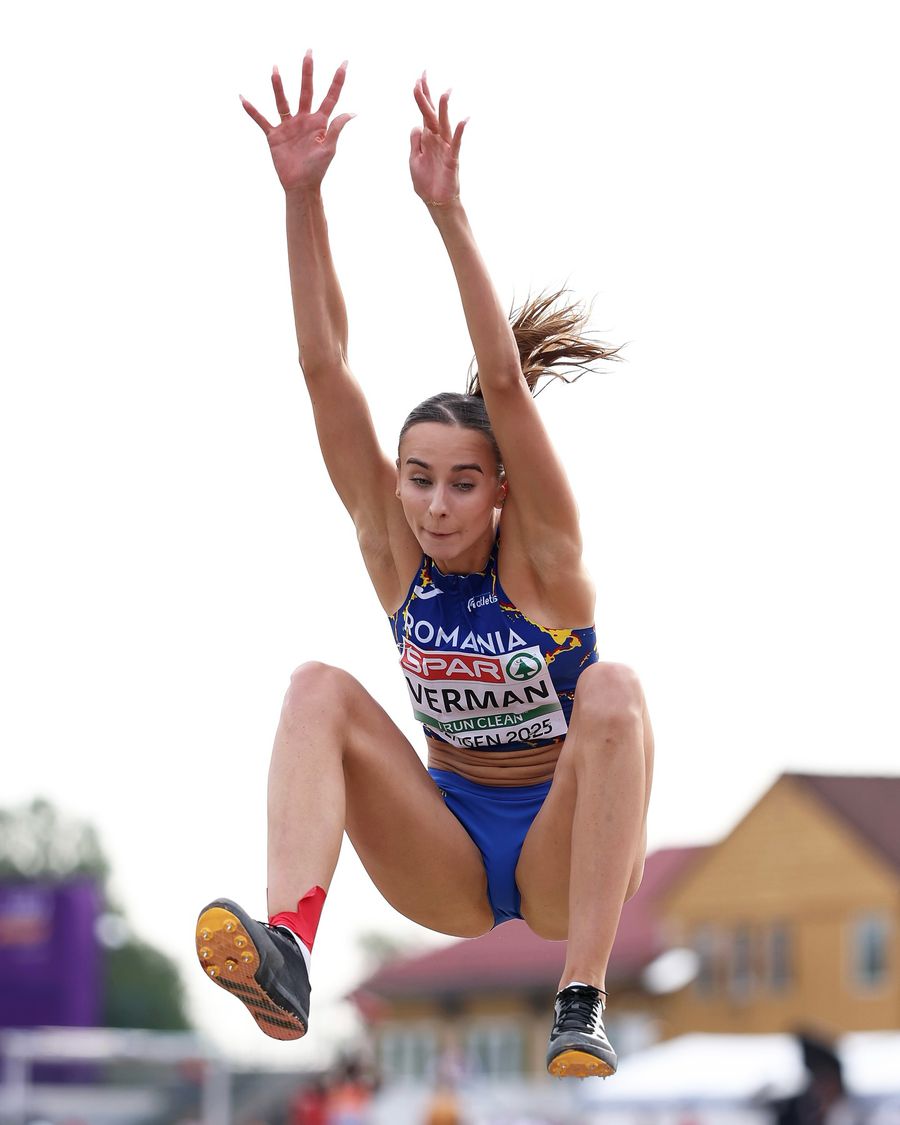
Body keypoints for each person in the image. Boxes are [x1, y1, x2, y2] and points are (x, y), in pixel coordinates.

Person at [195, 52, 654, 1080]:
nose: (436, 504)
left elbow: (502, 380)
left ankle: (583, 999)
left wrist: (448, 215)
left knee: (618, 690)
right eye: (418, 480)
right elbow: (325, 369)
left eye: (461, 483)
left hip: (563, 856)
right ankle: (289, 951)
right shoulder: (396, 552)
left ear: (500, 492)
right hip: (440, 851)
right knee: (315, 685)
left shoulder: (548, 565)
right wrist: (301, 198)